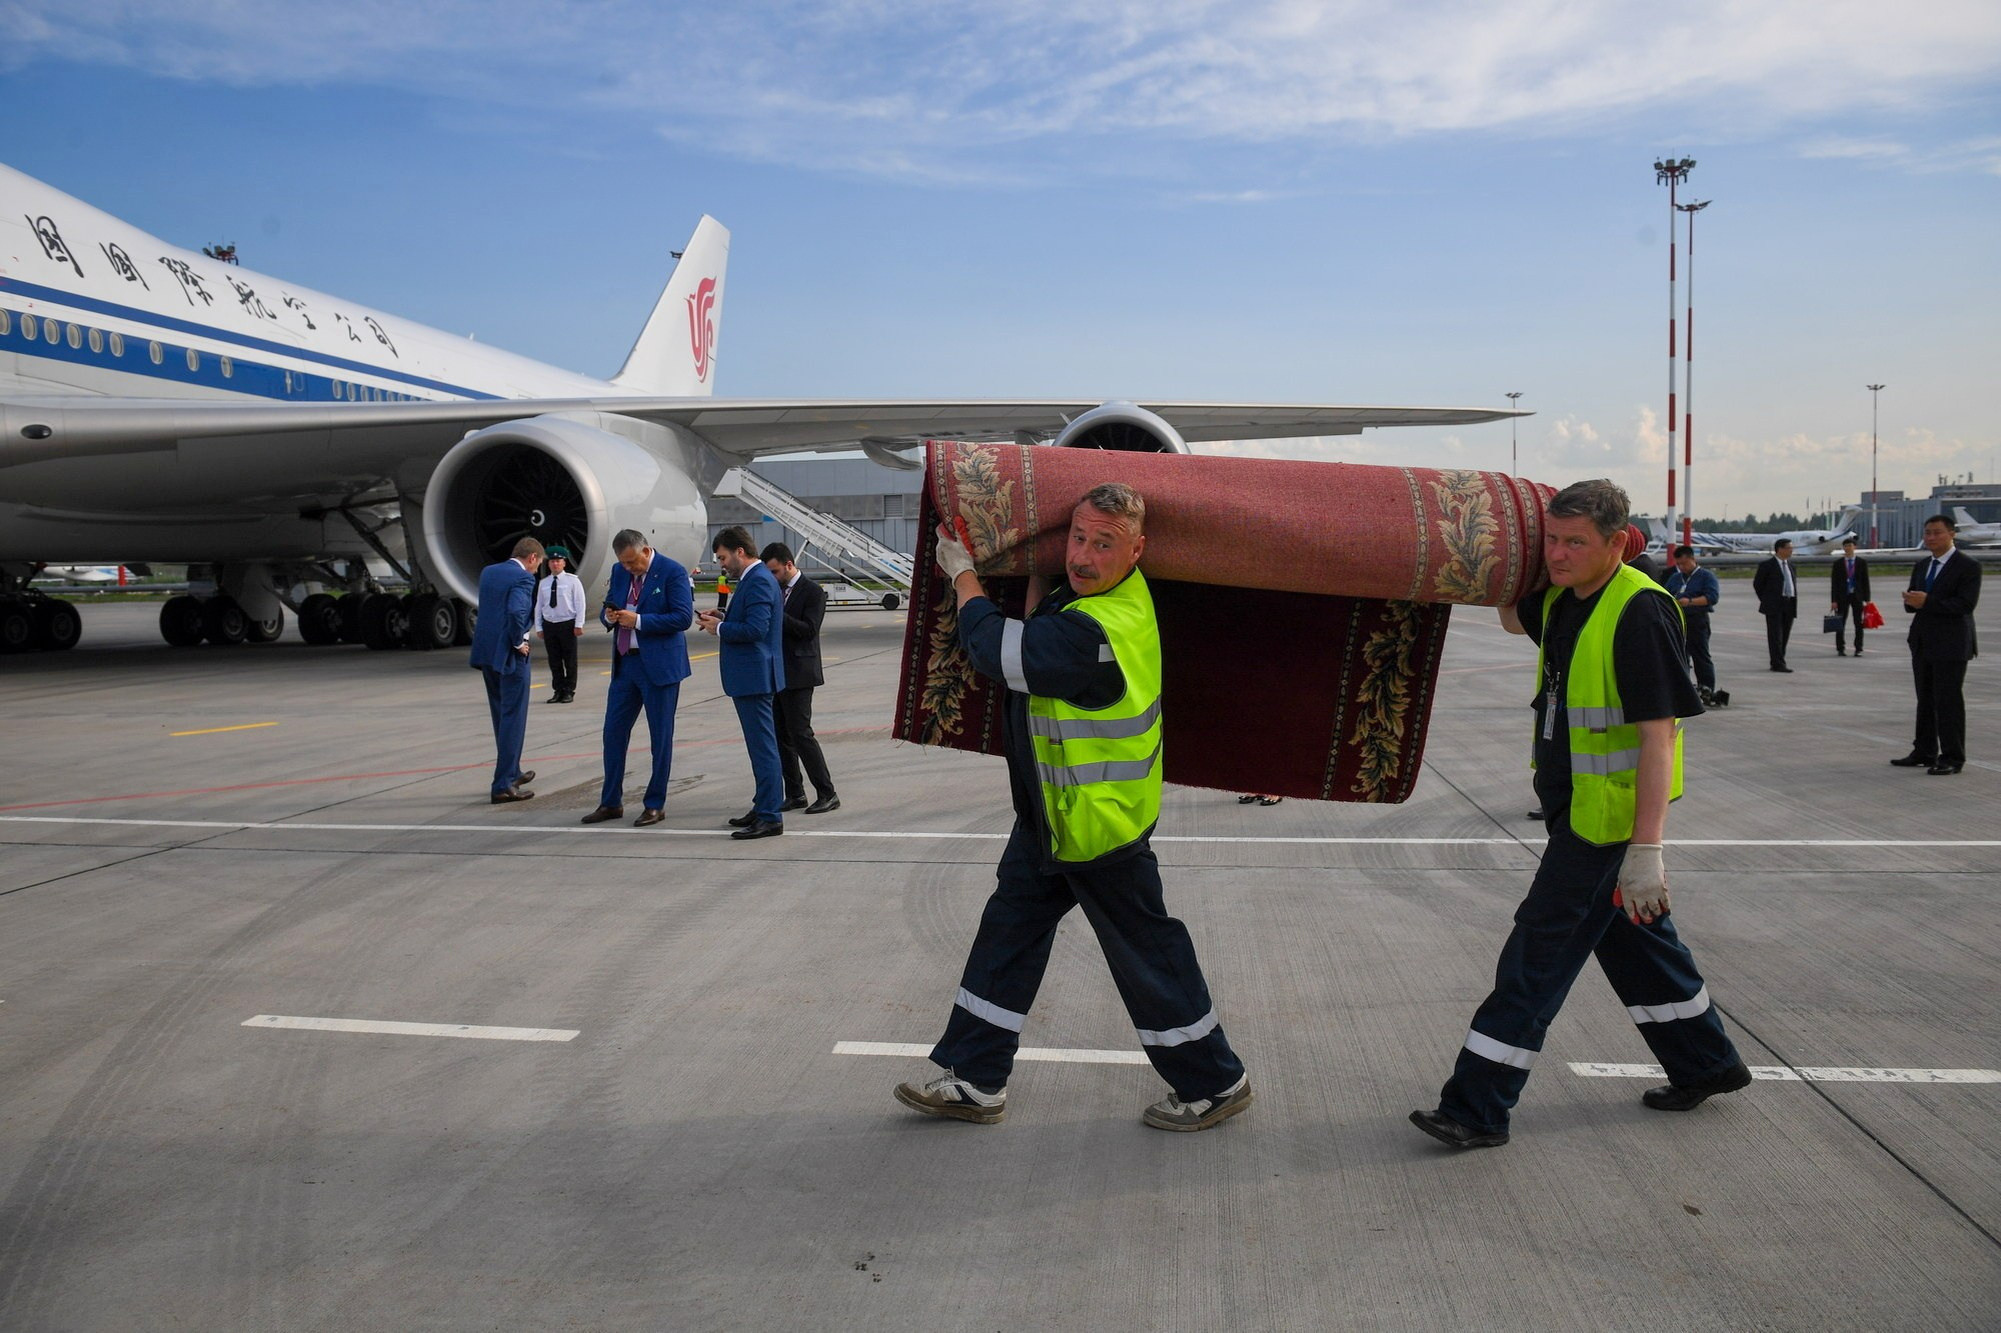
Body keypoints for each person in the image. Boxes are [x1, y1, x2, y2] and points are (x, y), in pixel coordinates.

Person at [895, 483, 1253, 1132]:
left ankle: (1214, 1082)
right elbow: (1042, 618)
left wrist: (962, 572)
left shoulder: (1097, 631)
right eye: (1076, 537)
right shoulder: (1102, 595)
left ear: (1137, 550)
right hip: (1052, 818)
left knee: (1146, 952)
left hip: (1096, 825)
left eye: (1103, 544)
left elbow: (997, 650)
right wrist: (1037, 558)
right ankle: (974, 1079)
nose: (1083, 556)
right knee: (1008, 932)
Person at [1411, 479, 1748, 1151]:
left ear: (1617, 543)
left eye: (1575, 542)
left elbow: (1660, 736)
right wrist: (1502, 556)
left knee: (1534, 957)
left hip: (1608, 825)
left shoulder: (1639, 611)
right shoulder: (1566, 599)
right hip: (1576, 811)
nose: (1559, 555)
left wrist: (1646, 849)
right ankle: (1705, 1062)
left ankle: (1476, 1107)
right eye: (1551, 541)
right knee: (1636, 944)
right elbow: (1513, 619)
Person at [583, 530, 694, 827]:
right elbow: (609, 604)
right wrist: (608, 617)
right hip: (626, 664)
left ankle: (655, 803)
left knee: (660, 737)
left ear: (646, 551)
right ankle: (610, 802)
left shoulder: (672, 572)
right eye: (624, 563)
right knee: (613, 734)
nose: (629, 568)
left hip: (659, 667)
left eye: (633, 562)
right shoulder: (619, 571)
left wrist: (640, 621)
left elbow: (683, 617)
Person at [698, 527, 786, 840]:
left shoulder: (758, 579)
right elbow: (750, 619)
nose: (722, 565)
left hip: (754, 677)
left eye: (723, 558)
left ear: (739, 551)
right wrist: (723, 616)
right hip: (752, 676)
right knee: (760, 747)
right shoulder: (754, 578)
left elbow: (756, 630)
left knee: (763, 749)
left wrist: (720, 628)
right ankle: (763, 805)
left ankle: (770, 816)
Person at [1891, 514, 1982, 777]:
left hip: (1951, 643)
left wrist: (1927, 601)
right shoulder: (1922, 565)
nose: (1931, 537)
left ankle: (1952, 757)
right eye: (1927, 533)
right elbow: (1915, 603)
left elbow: (1965, 605)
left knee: (1948, 701)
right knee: (1925, 700)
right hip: (1923, 641)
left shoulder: (1968, 566)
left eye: (1937, 532)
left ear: (1952, 534)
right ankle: (1924, 751)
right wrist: (1911, 602)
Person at [761, 542, 840, 815]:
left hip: (800, 672)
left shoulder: (813, 591)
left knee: (801, 733)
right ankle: (795, 793)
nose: (772, 578)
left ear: (789, 565)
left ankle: (827, 792)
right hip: (776, 670)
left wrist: (777, 614)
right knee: (780, 734)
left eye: (775, 572)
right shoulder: (776, 590)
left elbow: (809, 630)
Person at [468, 537, 544, 804]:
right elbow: (515, 612)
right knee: (514, 718)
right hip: (510, 655)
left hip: (487, 653)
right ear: (532, 558)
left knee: (501, 715)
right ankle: (502, 784)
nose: (536, 570)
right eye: (538, 565)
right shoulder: (524, 578)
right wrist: (518, 642)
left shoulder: (489, 572)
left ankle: (512, 771)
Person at [1665, 545, 1721, 704]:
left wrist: (1690, 602)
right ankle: (1683, 689)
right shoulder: (1675, 578)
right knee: (1680, 656)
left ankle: (1706, 688)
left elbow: (1712, 597)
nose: (1681, 567)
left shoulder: (1706, 576)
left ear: (1692, 559)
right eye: (1678, 564)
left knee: (1701, 656)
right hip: (1677, 622)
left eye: (1684, 563)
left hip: (1697, 620)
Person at [533, 544, 586, 702]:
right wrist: (539, 626)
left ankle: (569, 690)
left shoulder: (573, 581)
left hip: (567, 624)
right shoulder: (544, 583)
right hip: (550, 624)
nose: (555, 564)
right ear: (548, 564)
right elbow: (539, 606)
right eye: (552, 561)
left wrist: (579, 624)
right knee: (554, 660)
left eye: (558, 561)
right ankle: (558, 690)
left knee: (570, 660)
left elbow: (580, 603)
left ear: (564, 563)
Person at [1752, 538, 1799, 672]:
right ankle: (1778, 663)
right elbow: (1758, 584)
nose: (1791, 551)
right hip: (1774, 605)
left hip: (1789, 603)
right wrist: (1767, 600)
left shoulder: (1791, 566)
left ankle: (1778, 660)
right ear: (1780, 549)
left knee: (1785, 634)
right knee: (1775, 636)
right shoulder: (1767, 565)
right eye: (1789, 548)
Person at [1828, 537, 1872, 658]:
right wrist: (1834, 600)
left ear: (1854, 547)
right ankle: (1840, 648)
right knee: (1840, 623)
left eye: (1850, 546)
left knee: (1858, 623)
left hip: (1857, 596)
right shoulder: (1838, 563)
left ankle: (1858, 648)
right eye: (1846, 546)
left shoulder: (1861, 562)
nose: (1848, 548)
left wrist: (1867, 599)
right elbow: (1834, 583)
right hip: (1842, 596)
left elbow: (1865, 581)